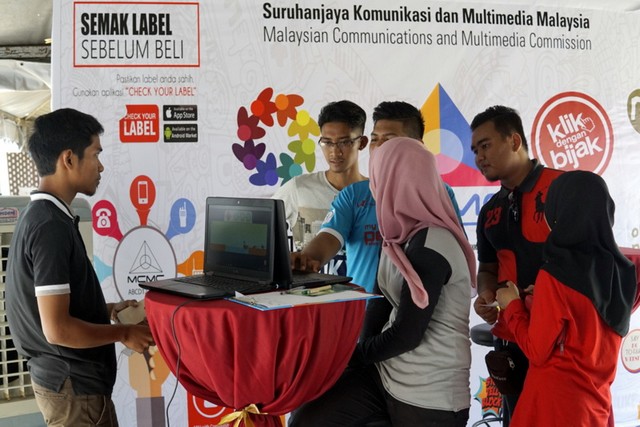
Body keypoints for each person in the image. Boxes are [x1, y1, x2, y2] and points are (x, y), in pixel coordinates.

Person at [289, 137, 476, 427]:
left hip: (429, 395)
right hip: (386, 374)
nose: (374, 189)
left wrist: (346, 358)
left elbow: (407, 334)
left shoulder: (432, 245)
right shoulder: (397, 238)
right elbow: (379, 306)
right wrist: (353, 363)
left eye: (378, 179)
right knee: (307, 418)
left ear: (394, 183)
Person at [5, 108, 154, 426]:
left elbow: (51, 311)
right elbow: (57, 329)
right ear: (69, 159)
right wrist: (124, 332)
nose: (101, 166)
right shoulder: (50, 226)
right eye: (95, 154)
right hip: (75, 392)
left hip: (65, 385)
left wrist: (108, 310)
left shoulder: (42, 216)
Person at [495, 170, 637, 427]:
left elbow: (536, 350)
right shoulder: (624, 272)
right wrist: (542, 297)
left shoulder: (556, 275)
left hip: (554, 408)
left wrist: (512, 304)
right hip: (596, 406)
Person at [292, 101, 463, 292]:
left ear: (417, 146)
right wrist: (306, 259)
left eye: (389, 140)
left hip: (422, 309)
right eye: (375, 139)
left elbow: (455, 254)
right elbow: (328, 239)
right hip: (363, 308)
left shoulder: (441, 193)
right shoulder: (354, 195)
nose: (379, 147)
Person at [470, 105, 563, 425]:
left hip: (558, 341)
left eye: (485, 145)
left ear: (514, 141)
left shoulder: (563, 189)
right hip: (509, 338)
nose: (479, 157)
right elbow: (487, 268)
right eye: (475, 150)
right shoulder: (489, 210)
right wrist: (486, 296)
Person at [273, 100, 368, 276]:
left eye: (344, 142)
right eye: (327, 142)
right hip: (308, 289)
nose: (335, 152)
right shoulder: (299, 188)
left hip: (360, 290)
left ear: (361, 142)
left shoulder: (374, 194)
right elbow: (264, 229)